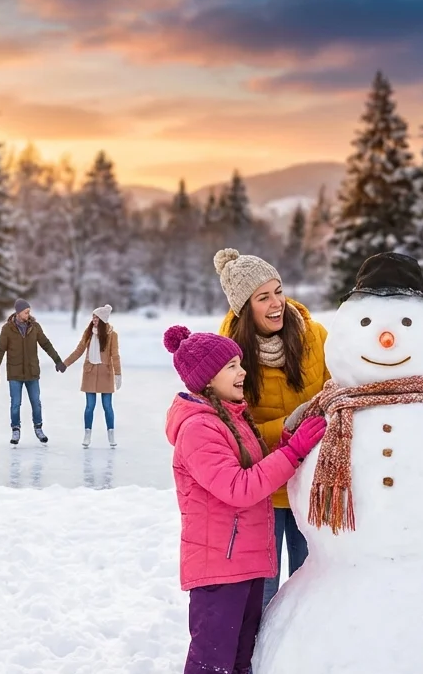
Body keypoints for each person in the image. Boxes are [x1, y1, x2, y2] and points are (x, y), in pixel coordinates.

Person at [163, 325, 327, 674]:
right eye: (232, 367)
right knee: (213, 662)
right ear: (208, 380)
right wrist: (292, 453)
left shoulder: (232, 418)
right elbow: (239, 487)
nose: (242, 372)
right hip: (219, 568)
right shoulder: (198, 429)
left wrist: (285, 444)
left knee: (240, 661)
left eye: (240, 363)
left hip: (244, 560)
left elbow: (253, 466)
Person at [214, 248, 330, 608]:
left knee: (309, 587)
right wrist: (288, 427)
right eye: (263, 297)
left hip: (310, 483)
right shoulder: (229, 355)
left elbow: (336, 394)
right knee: (263, 592)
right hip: (263, 489)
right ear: (244, 307)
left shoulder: (315, 337)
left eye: (278, 291)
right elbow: (231, 425)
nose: (277, 303)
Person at [0, 298, 65, 445]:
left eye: (29, 312)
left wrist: (58, 360)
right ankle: (15, 430)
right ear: (18, 313)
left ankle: (38, 428)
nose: (28, 314)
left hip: (32, 372)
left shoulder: (35, 327)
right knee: (15, 403)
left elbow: (46, 344)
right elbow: (0, 350)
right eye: (26, 312)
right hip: (15, 373)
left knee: (36, 403)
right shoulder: (7, 329)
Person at [62, 304, 121, 448]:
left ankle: (111, 434)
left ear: (102, 319)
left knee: (107, 406)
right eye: (93, 317)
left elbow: (115, 355)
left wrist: (118, 374)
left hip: (105, 373)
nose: (94, 320)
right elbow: (79, 350)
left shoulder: (112, 335)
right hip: (90, 372)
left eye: (97, 317)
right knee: (89, 406)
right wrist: (65, 363)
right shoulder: (88, 333)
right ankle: (87, 433)